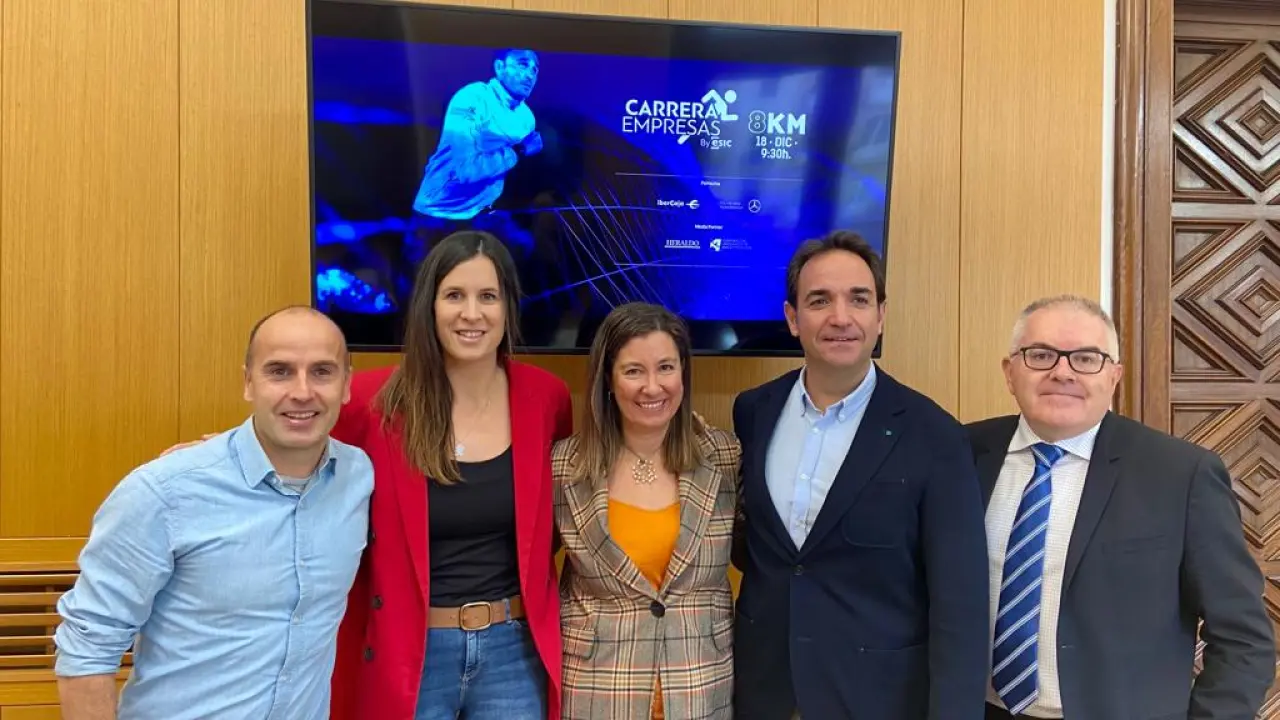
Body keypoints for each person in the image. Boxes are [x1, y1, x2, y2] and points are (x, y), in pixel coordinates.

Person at [53, 306, 374, 720]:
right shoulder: (163, 492)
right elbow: (88, 647)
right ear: (248, 382)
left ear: (346, 385)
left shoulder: (359, 476)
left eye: (322, 372)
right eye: (279, 371)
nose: (301, 391)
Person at [967, 294, 1274, 720]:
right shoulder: (960, 454)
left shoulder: (1181, 474)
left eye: (1086, 359)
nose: (1062, 372)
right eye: (1040, 355)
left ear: (1114, 376)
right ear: (1009, 371)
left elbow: (1244, 637)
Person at [731, 230, 990, 719]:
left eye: (859, 299)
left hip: (878, 699)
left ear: (881, 315)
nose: (840, 317)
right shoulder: (754, 411)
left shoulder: (935, 436)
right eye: (819, 300)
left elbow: (961, 605)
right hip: (765, 692)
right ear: (792, 318)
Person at [329, 229, 574, 720]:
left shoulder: (546, 398)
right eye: (455, 296)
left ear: (508, 307)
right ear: (430, 305)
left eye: (488, 297)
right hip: (410, 653)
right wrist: (225, 450)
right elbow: (300, 457)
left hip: (513, 653)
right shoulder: (372, 404)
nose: (472, 313)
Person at [553, 302, 741, 719]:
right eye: (634, 371)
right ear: (608, 378)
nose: (653, 387)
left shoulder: (726, 456)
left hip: (700, 690)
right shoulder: (563, 466)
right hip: (596, 693)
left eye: (666, 368)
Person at [405, 48, 542, 266]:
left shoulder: (526, 118)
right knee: (428, 283)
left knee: (525, 250)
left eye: (535, 70)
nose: (529, 75)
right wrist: (520, 151)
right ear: (499, 68)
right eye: (522, 65)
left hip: (479, 215)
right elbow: (467, 171)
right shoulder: (472, 98)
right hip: (438, 214)